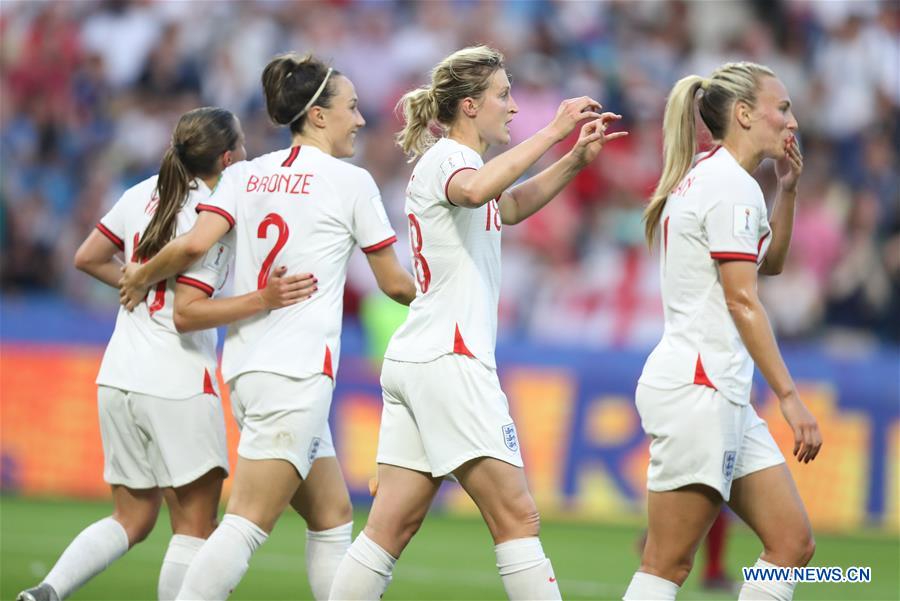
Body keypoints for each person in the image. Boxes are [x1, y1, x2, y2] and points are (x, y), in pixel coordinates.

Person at [328, 45, 627, 600]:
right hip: (451, 359)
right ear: (469, 106)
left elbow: (505, 206)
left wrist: (572, 162)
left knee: (390, 527)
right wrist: (555, 131)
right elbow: (477, 191)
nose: (514, 109)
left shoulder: (464, 167)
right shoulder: (449, 160)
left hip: (421, 357)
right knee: (517, 517)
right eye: (504, 96)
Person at [119, 53, 416, 600]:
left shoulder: (242, 176)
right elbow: (396, 285)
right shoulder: (351, 183)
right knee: (247, 521)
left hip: (248, 371)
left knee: (331, 514)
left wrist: (142, 274)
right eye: (351, 108)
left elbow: (190, 246)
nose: (361, 119)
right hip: (297, 373)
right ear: (319, 116)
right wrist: (452, 290)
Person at [17, 107, 314, 601]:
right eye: (241, 146)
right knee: (195, 527)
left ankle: (48, 590)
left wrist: (134, 282)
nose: (247, 154)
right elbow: (186, 315)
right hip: (176, 379)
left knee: (131, 518)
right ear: (226, 157)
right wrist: (262, 300)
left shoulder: (142, 193)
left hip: (118, 376)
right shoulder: (212, 216)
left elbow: (86, 256)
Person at [624, 62, 822, 601]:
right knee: (666, 564)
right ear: (742, 114)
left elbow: (768, 266)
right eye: (781, 108)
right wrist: (789, 396)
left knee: (791, 544)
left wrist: (788, 191)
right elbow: (743, 298)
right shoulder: (729, 186)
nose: (793, 121)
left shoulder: (718, 177)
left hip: (718, 390)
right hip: (698, 389)